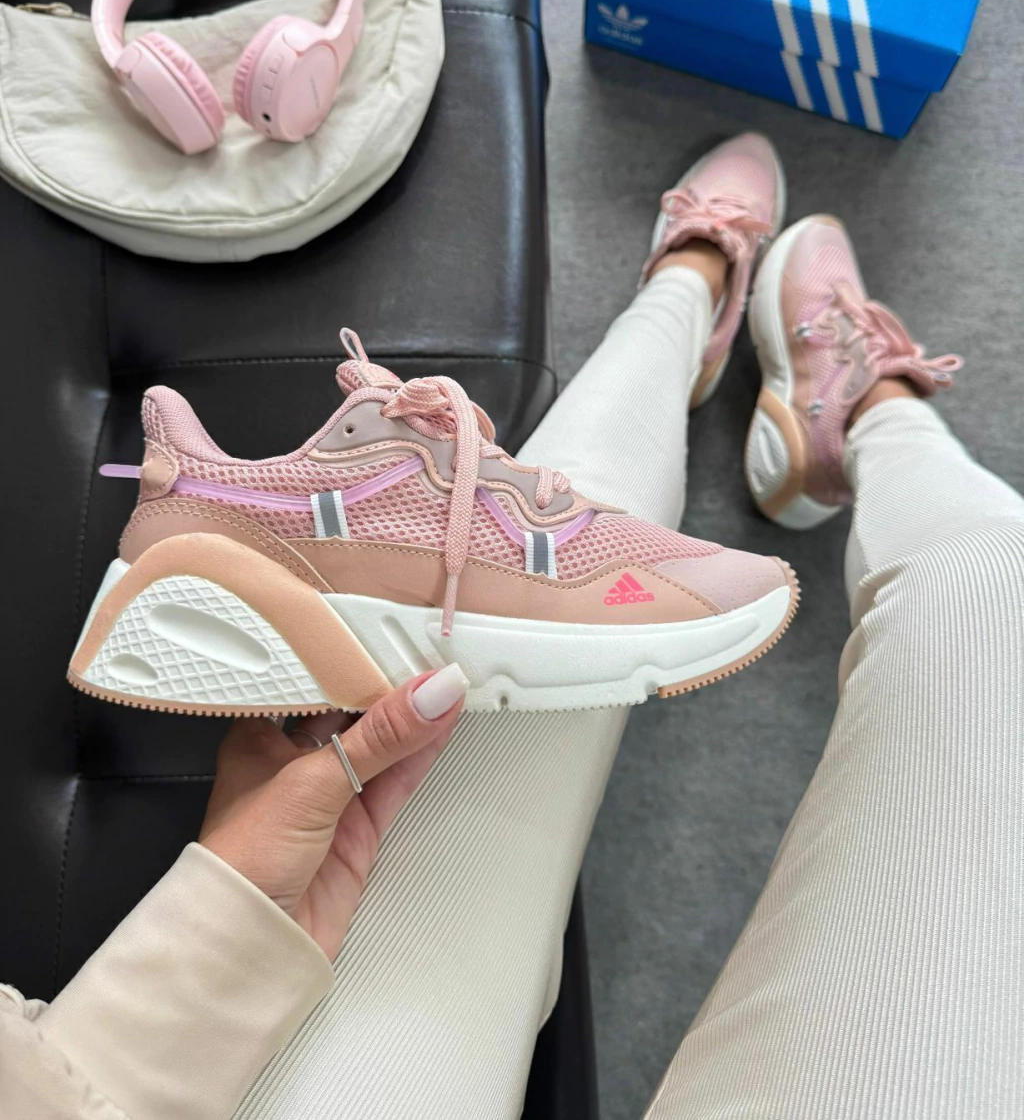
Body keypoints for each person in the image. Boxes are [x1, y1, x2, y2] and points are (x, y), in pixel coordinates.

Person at [3, 134, 1021, 1120]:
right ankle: (860, 401)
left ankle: (683, 298)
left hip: (144, 1061)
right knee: (992, 585)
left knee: (581, 543)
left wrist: (224, 912)